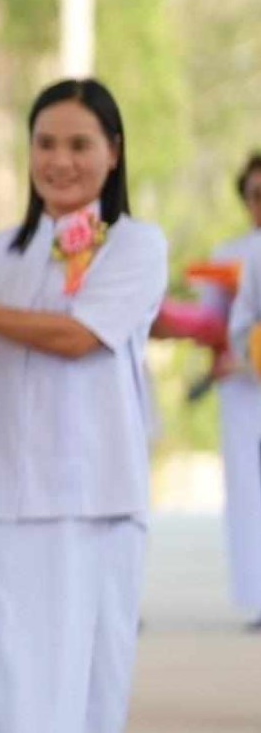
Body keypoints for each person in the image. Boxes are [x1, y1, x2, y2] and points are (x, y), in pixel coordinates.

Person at [0, 79, 167, 733]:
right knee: (12, 702)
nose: (59, 160)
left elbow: (76, 337)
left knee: (86, 700)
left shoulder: (134, 244)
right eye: (44, 143)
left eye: (78, 144)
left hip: (90, 501)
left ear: (113, 152)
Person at [210, 153, 261, 626]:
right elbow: (217, 324)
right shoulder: (230, 255)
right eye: (256, 195)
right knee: (248, 490)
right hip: (245, 387)